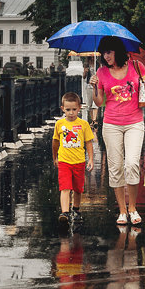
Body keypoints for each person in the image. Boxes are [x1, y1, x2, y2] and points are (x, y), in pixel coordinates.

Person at [89, 37, 145, 226]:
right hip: (111, 124)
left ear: (118, 51)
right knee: (115, 168)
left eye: (109, 52)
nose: (106, 57)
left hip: (134, 123)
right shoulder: (101, 72)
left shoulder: (136, 66)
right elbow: (99, 102)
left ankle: (132, 208)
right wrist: (93, 87)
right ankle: (122, 210)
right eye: (103, 53)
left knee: (131, 164)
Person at [52, 91, 94, 224]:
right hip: (64, 161)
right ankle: (64, 213)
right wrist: (55, 158)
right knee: (65, 187)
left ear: (79, 108)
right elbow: (55, 142)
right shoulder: (60, 124)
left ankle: (76, 210)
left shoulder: (83, 124)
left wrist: (91, 159)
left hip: (79, 161)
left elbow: (88, 142)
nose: (71, 113)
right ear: (62, 109)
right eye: (68, 109)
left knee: (77, 189)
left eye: (74, 109)